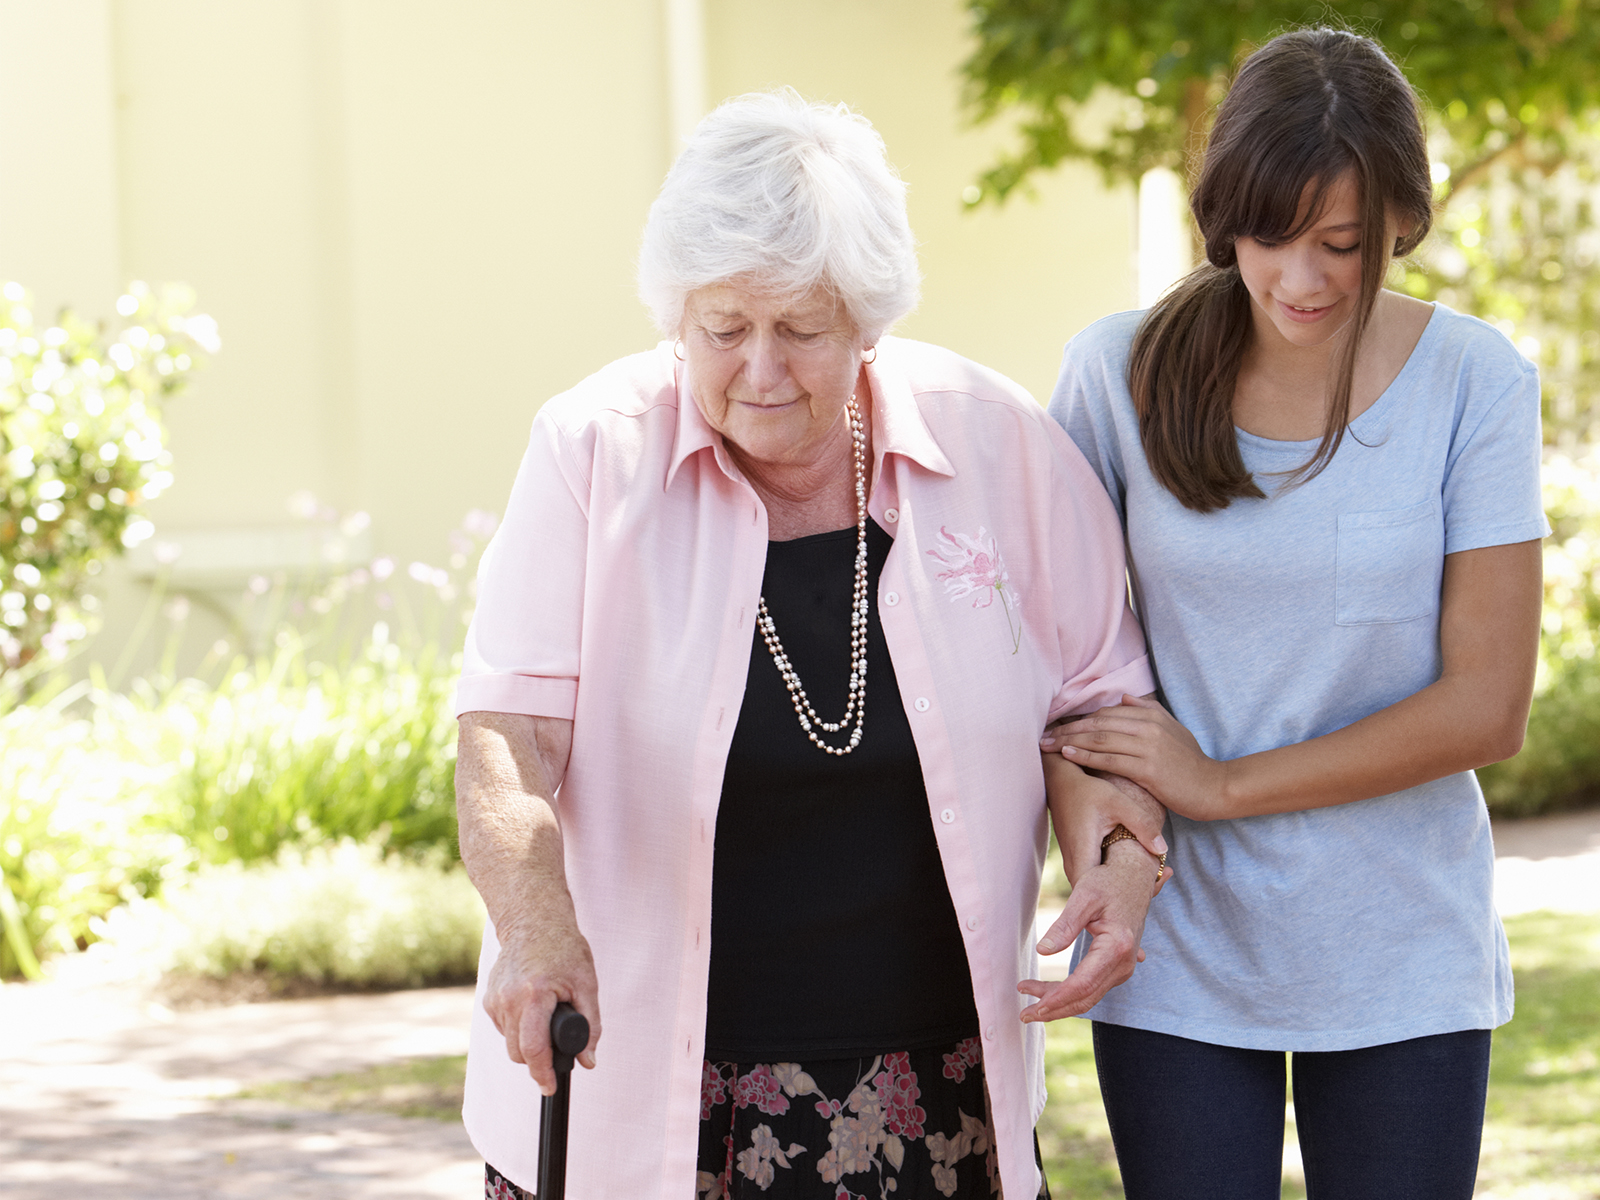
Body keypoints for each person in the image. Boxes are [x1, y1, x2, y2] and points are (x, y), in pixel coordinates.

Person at [454, 89, 1167, 1200]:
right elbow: (507, 733)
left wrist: (1123, 872)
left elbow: (1104, 713)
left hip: (926, 1096)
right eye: (722, 329)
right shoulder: (593, 452)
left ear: (870, 320)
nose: (760, 370)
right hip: (638, 1097)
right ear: (674, 316)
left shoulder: (996, 444)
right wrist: (537, 928)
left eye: (800, 328)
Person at [1040, 27, 1549, 1200]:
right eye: (1271, 237)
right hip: (1177, 947)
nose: (1302, 279)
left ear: (1401, 225)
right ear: (1225, 215)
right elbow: (1065, 677)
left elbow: (1486, 706)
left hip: (1400, 947)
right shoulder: (1114, 376)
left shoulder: (1474, 383)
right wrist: (1112, 851)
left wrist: (1219, 784)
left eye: (1343, 244)